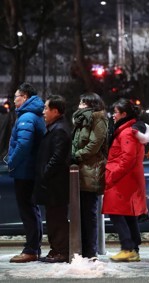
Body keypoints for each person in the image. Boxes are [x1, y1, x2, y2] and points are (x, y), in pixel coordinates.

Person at [102, 98, 149, 262]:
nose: (113, 116)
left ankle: (128, 247)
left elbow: (127, 159)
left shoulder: (126, 132)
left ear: (124, 114)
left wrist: (111, 175)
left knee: (116, 213)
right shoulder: (129, 130)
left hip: (122, 179)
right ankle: (133, 248)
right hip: (127, 179)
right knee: (127, 213)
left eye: (115, 112)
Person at [7, 83, 46, 263]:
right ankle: (33, 247)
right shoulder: (33, 115)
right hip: (30, 170)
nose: (14, 100)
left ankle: (31, 249)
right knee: (32, 210)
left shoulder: (27, 117)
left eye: (16, 97)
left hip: (25, 171)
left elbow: (23, 144)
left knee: (28, 211)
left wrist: (11, 161)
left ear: (25, 96)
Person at [34, 95, 72, 263]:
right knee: (53, 218)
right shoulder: (55, 127)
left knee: (57, 219)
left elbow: (57, 157)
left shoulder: (59, 130)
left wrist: (45, 173)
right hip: (52, 184)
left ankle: (61, 251)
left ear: (55, 111)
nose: (43, 112)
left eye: (46, 108)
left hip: (56, 185)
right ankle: (56, 250)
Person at [71, 92, 108, 259]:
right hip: (80, 169)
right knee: (82, 212)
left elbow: (95, 143)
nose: (79, 104)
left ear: (91, 103)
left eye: (83, 102)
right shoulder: (80, 120)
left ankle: (91, 251)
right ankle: (83, 250)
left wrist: (78, 155)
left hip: (91, 169)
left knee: (89, 212)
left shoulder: (98, 118)